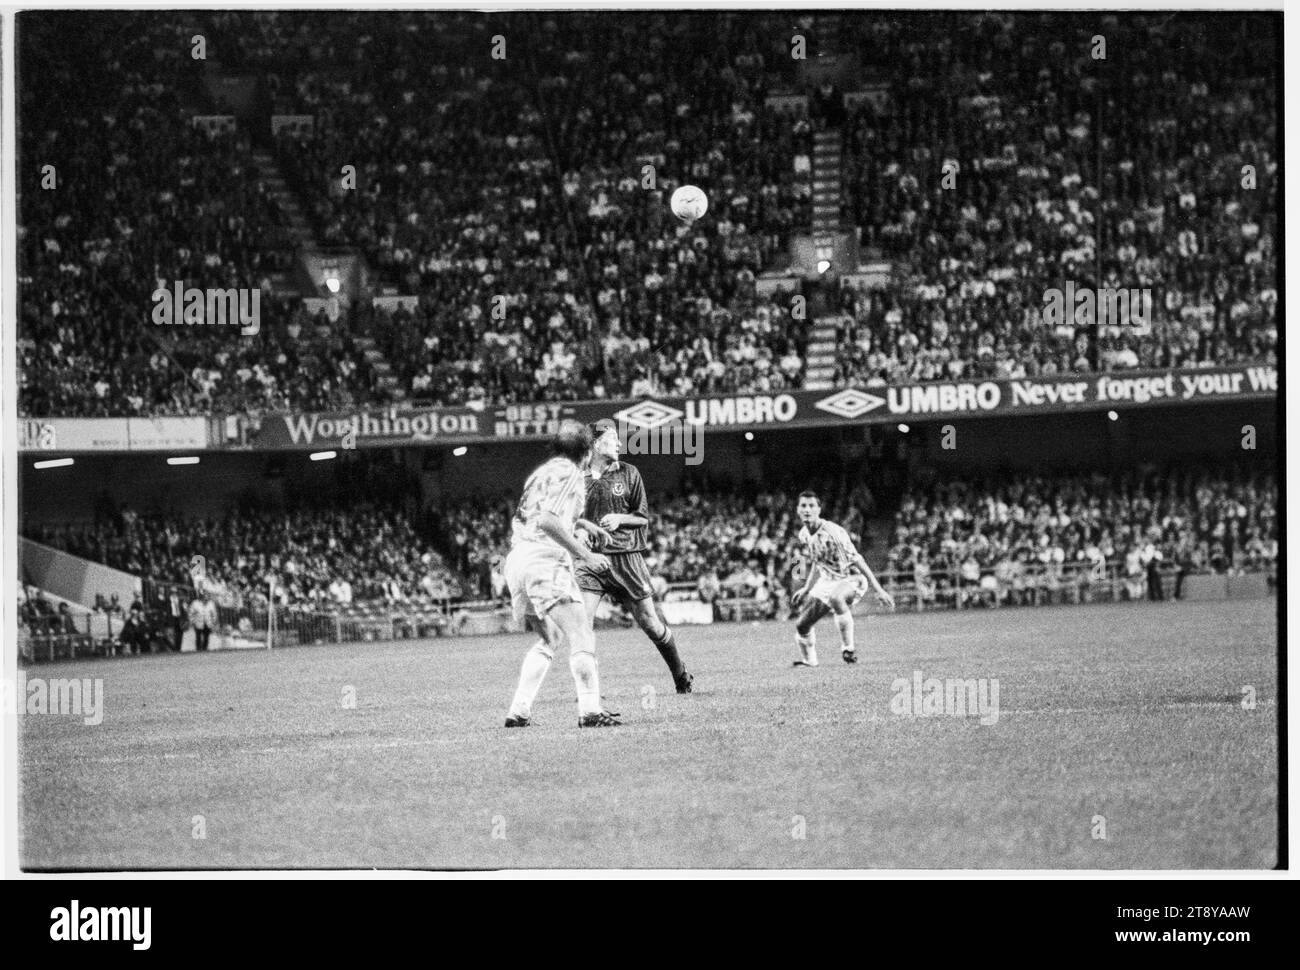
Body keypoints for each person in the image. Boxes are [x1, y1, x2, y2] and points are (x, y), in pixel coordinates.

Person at [503, 420, 618, 728]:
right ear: (587, 450)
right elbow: (547, 521)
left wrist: (584, 525)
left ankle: (519, 711)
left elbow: (542, 516)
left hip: (517, 562)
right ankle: (591, 711)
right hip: (544, 560)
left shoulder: (540, 474)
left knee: (551, 637)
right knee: (581, 632)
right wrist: (587, 554)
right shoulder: (571, 473)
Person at [574, 419, 694, 693]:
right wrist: (578, 530)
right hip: (590, 561)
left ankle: (680, 673)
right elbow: (568, 518)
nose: (618, 443)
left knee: (651, 624)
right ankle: (590, 696)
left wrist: (619, 518)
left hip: (626, 558)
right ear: (595, 443)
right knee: (582, 624)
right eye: (613, 437)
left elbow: (642, 518)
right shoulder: (577, 477)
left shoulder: (630, 473)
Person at [789, 490, 894, 666]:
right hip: (827, 580)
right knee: (801, 625)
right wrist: (806, 588)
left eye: (811, 506)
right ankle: (809, 661)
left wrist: (879, 590)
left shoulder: (833, 532)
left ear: (819, 509)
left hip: (852, 577)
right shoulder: (804, 534)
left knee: (836, 597)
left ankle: (848, 649)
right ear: (798, 510)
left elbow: (857, 559)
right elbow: (817, 561)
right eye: (803, 506)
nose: (807, 510)